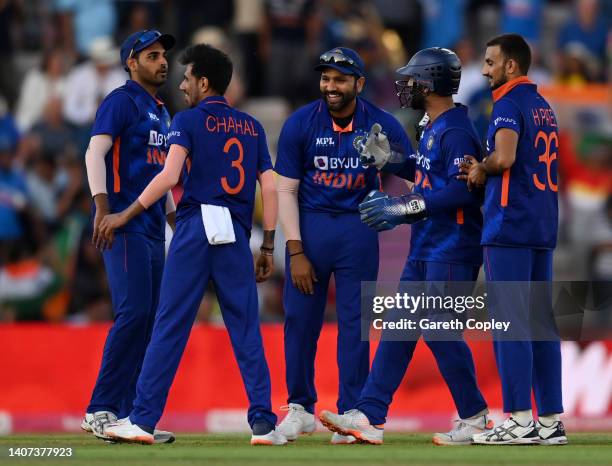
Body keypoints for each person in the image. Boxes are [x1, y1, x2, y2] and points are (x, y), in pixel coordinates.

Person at [99, 43, 286, 446]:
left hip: (196, 225)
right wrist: (268, 244)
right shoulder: (252, 127)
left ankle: (142, 420)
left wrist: (125, 214)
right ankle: (264, 424)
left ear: (203, 82)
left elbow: (168, 177)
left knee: (169, 324)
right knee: (246, 329)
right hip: (236, 233)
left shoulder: (186, 120)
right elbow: (269, 188)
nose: (181, 85)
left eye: (187, 78)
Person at [318, 47, 491, 445]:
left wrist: (405, 205)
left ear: (429, 82)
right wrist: (393, 162)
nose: (406, 87)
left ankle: (476, 416)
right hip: (427, 244)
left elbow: (464, 192)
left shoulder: (457, 130)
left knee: (440, 331)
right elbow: (428, 174)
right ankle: (370, 414)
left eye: (412, 80)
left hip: (452, 246)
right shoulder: (435, 126)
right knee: (399, 327)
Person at [274, 47, 414, 444]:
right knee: (299, 323)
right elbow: (285, 190)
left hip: (359, 228)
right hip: (311, 229)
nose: (330, 86)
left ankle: (352, 412)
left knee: (355, 326)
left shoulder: (382, 123)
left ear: (359, 84)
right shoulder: (301, 123)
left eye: (339, 79)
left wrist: (394, 180)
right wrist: (296, 249)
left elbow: (418, 179)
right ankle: (300, 409)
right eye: (326, 78)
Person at [460, 33, 567, 445]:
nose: (485, 70)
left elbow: (503, 158)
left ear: (510, 66)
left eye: (490, 62)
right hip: (542, 224)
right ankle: (550, 420)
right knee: (541, 324)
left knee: (511, 324)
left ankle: (520, 419)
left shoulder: (507, 104)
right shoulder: (544, 106)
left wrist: (480, 170)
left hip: (509, 227)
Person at [81, 29, 177, 444]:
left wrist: (176, 221)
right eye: (152, 55)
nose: (162, 61)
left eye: (163, 55)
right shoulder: (121, 101)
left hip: (153, 228)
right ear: (131, 63)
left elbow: (164, 178)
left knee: (148, 321)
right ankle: (99, 409)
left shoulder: (162, 110)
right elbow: (94, 152)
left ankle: (132, 417)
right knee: (134, 314)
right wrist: (103, 207)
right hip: (122, 224)